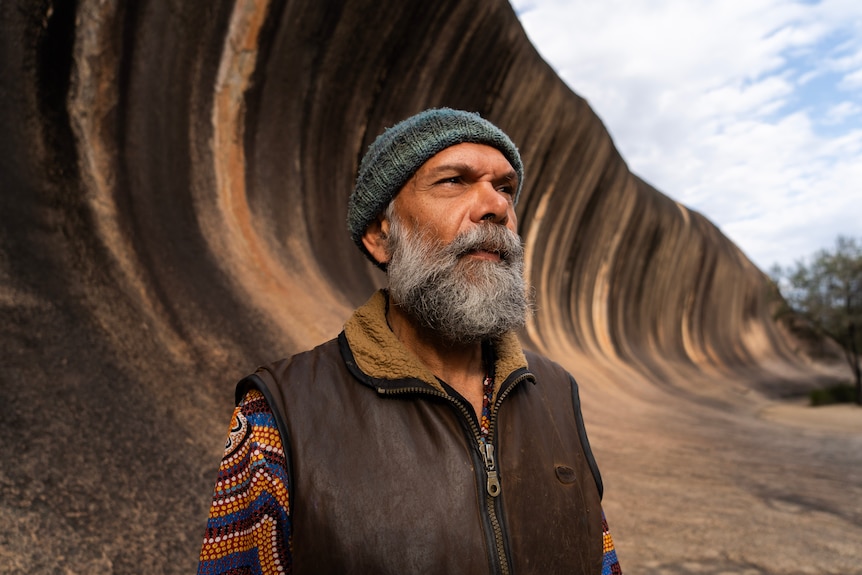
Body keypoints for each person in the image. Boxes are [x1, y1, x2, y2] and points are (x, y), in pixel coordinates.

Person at [197, 108, 623, 574]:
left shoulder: (557, 393)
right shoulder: (280, 413)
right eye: (453, 181)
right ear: (381, 235)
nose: (497, 207)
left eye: (505, 188)